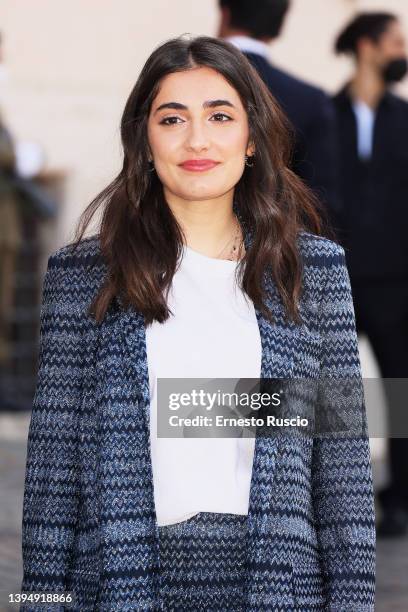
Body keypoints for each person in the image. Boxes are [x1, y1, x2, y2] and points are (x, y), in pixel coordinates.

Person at [20, 35, 375, 610]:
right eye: (171, 118)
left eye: (219, 116)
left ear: (252, 137)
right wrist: (37, 603)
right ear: (144, 137)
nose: (197, 140)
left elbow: (343, 467)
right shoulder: (84, 275)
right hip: (119, 583)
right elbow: (53, 470)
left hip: (277, 585)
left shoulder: (313, 271)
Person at [333, 12, 408, 538]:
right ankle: (327, 502)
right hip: (333, 279)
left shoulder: (405, 118)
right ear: (367, 46)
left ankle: (401, 498)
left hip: (396, 281)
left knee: (401, 392)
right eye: (395, 41)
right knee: (321, 392)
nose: (402, 50)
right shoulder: (322, 113)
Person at [217, 0, 342, 225]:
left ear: (225, 14)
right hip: (279, 241)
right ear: (278, 27)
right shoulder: (309, 98)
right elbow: (320, 197)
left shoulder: (184, 85)